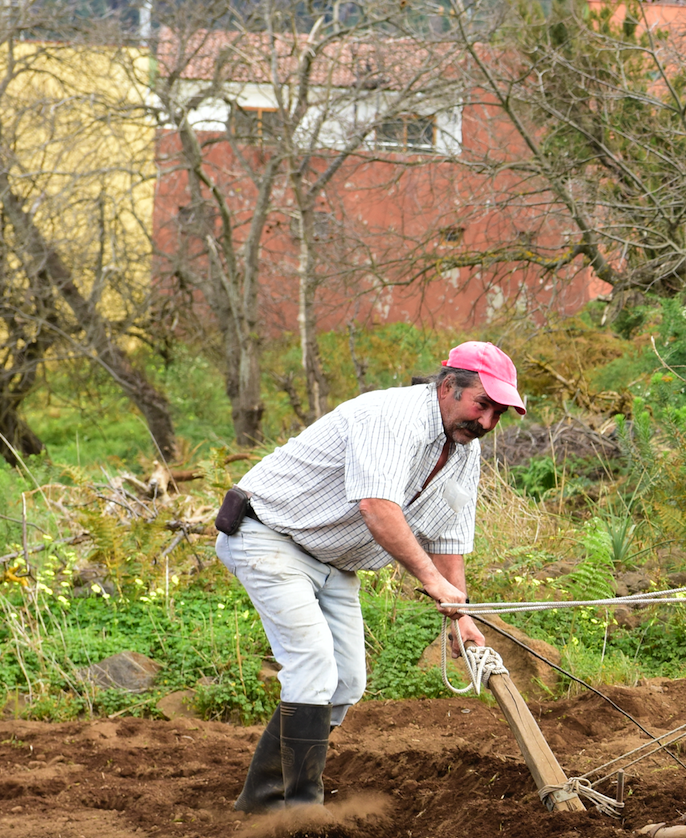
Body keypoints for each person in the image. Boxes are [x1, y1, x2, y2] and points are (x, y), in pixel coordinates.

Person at [215, 342, 525, 813]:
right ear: (448, 387)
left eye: (498, 414)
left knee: (346, 683)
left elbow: (450, 539)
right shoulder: (390, 416)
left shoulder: (464, 453)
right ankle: (290, 808)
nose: (486, 422)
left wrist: (459, 613)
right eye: (482, 405)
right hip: (271, 536)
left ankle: (269, 797)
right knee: (314, 668)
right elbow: (377, 507)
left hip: (333, 561)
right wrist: (431, 582)